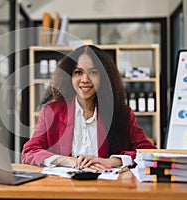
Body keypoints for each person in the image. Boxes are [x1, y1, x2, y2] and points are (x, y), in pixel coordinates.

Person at [21, 45, 156, 172]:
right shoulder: (51, 112)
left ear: (104, 76)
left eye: (93, 72)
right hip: (63, 189)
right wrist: (69, 161)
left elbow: (148, 151)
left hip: (108, 189)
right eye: (78, 72)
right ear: (70, 76)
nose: (85, 79)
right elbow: (29, 152)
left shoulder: (122, 114)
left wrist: (112, 161)